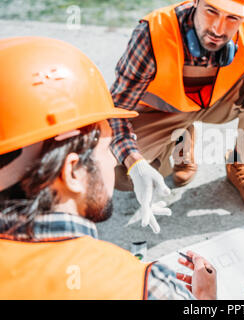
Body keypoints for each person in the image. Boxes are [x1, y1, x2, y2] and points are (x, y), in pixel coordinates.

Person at [0, 36, 216, 300]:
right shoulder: (145, 287)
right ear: (73, 172)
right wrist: (204, 301)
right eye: (107, 149)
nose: (114, 160)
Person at [109, 0, 244, 232]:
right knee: (122, 175)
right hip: (164, 111)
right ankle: (181, 140)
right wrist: (136, 163)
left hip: (217, 103)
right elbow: (116, 111)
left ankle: (239, 162)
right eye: (211, 11)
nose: (218, 29)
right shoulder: (152, 34)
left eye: (233, 18)